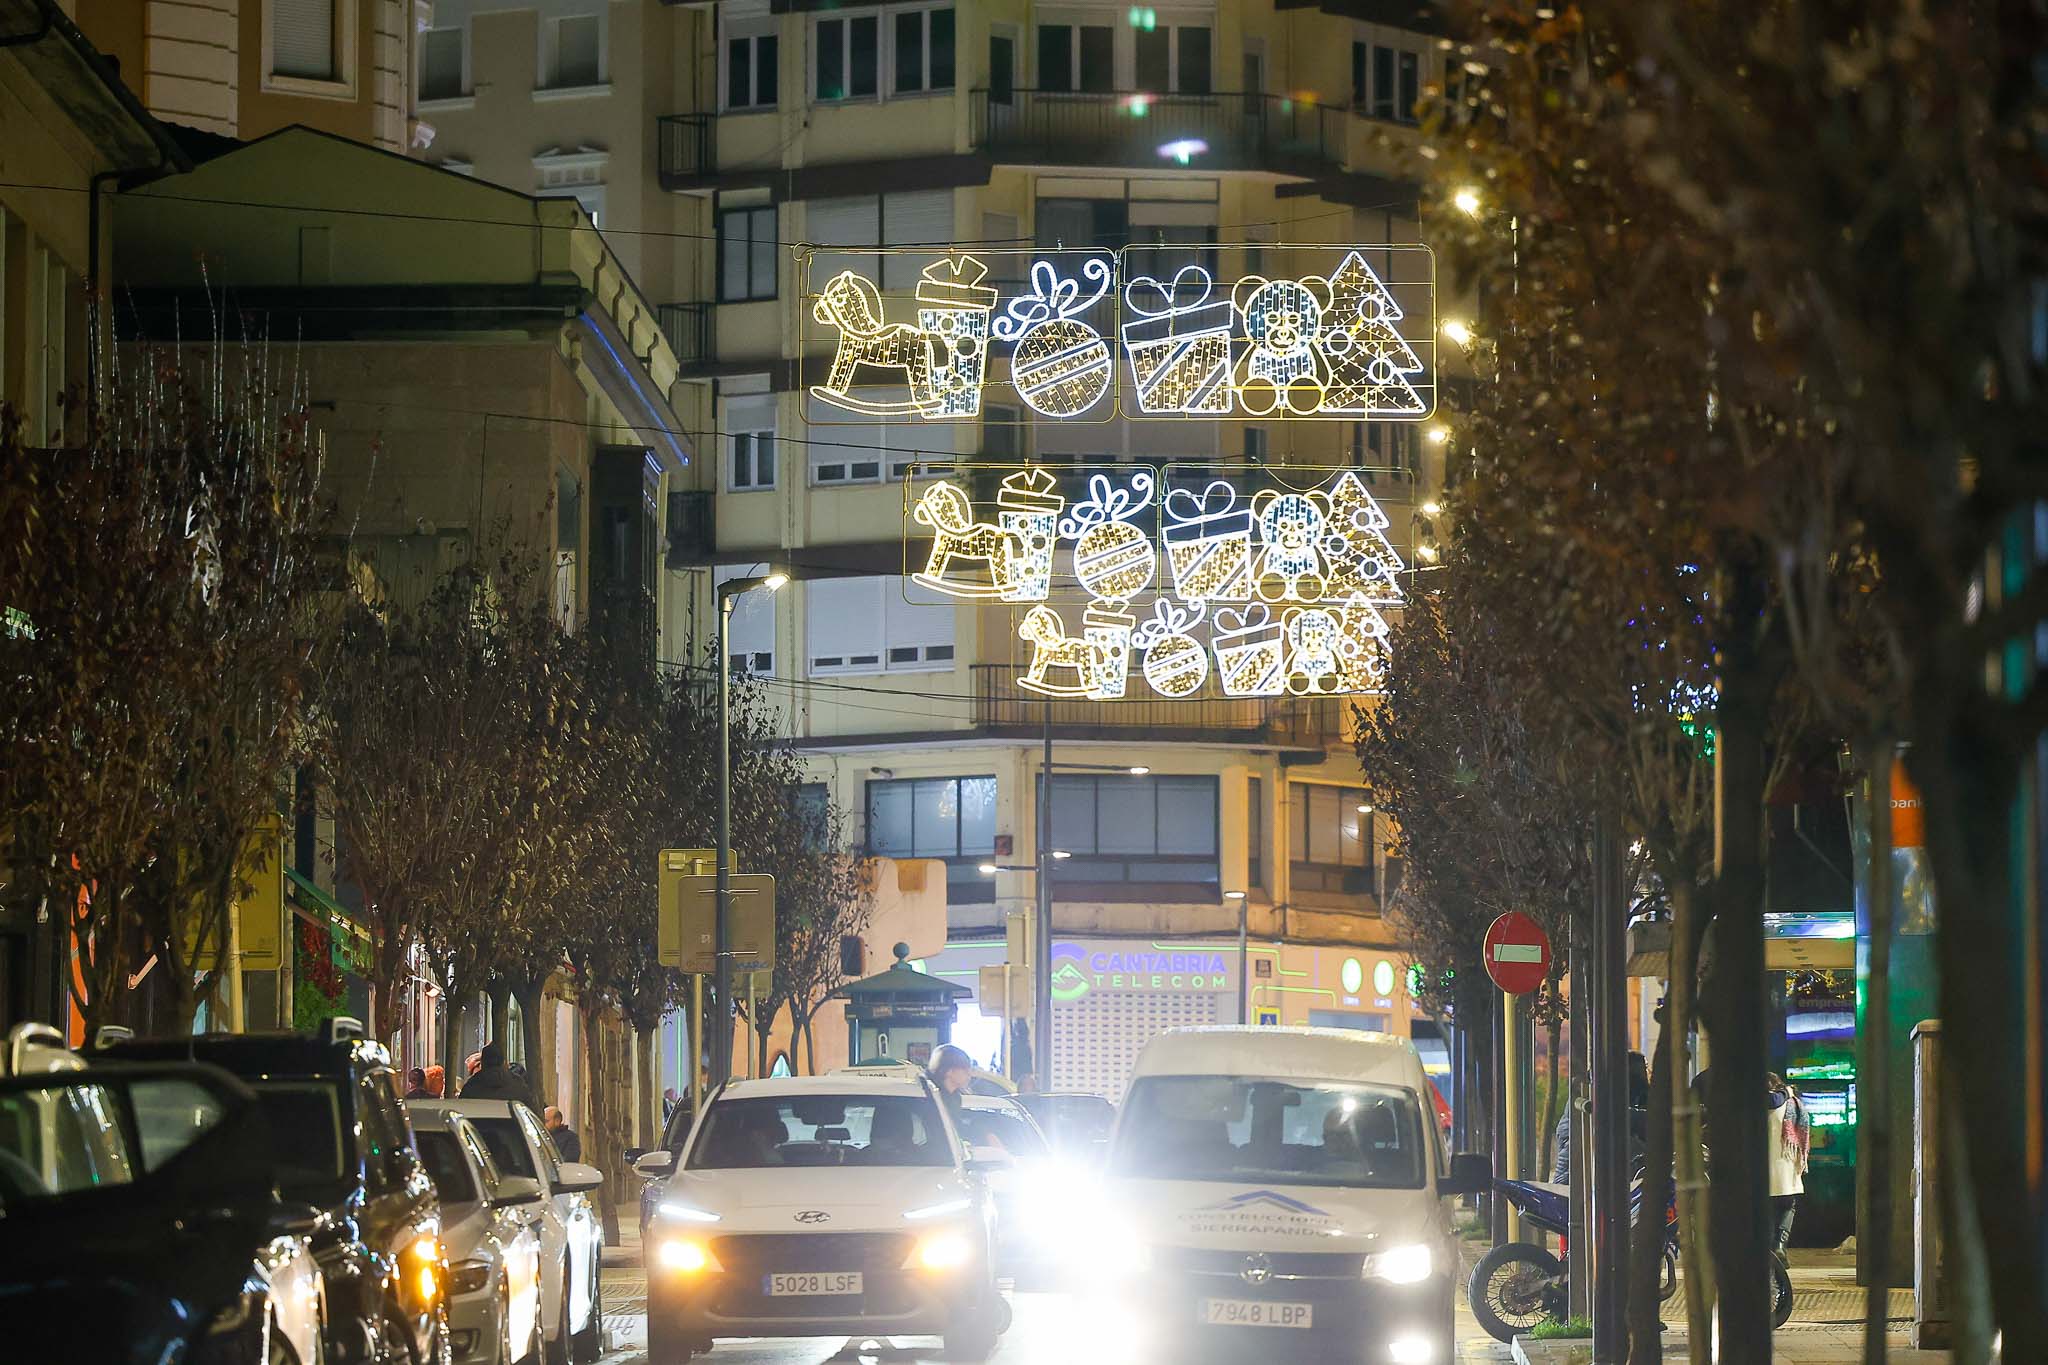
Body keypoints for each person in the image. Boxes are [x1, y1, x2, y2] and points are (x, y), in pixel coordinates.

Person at [1766, 1072, 1810, 1255]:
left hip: (1764, 1167)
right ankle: (1780, 1245)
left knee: (1767, 1208)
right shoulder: (1794, 1104)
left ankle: (1769, 1247)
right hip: (1787, 1166)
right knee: (1787, 1206)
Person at [461, 1041, 537, 1110]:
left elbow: (462, 1109)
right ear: (503, 1062)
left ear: (482, 1063)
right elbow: (531, 1110)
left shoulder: (471, 1086)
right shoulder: (518, 1084)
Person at [927, 1043, 974, 1123]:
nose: (969, 1074)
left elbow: (958, 1127)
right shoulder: (930, 1098)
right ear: (949, 1071)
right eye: (965, 1070)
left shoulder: (954, 1097)